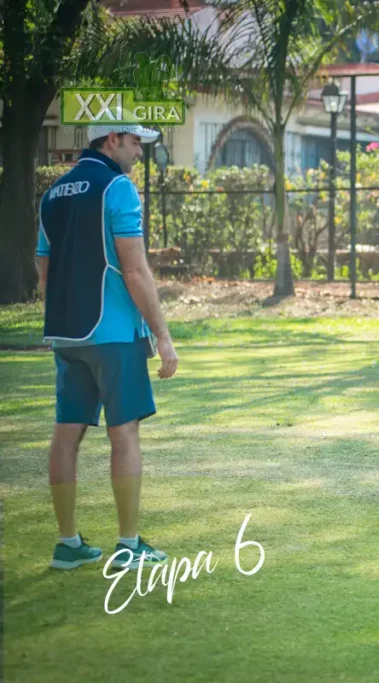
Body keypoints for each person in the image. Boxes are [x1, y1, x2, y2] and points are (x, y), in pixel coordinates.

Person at [36, 124, 178, 570]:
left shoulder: (53, 193)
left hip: (66, 334)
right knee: (125, 432)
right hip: (113, 333)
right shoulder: (118, 188)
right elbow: (134, 270)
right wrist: (162, 334)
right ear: (111, 140)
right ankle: (129, 545)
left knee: (67, 433)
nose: (139, 152)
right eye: (135, 142)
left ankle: (68, 544)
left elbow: (44, 268)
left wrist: (61, 316)